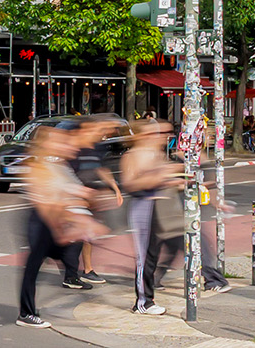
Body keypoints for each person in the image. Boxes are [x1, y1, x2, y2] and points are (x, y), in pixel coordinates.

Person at [17, 124, 104, 329]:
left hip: (56, 221)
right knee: (33, 267)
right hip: (41, 223)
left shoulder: (59, 165)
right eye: (56, 140)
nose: (61, 144)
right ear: (45, 143)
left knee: (66, 252)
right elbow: (46, 204)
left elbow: (71, 189)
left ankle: (70, 277)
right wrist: (62, 228)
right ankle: (26, 313)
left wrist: (84, 199)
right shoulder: (38, 167)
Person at [121, 119, 181, 316]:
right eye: (150, 133)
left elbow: (165, 179)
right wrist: (159, 177)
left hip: (160, 207)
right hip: (143, 206)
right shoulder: (131, 156)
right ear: (138, 136)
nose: (156, 137)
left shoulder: (157, 154)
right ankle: (143, 301)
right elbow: (130, 184)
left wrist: (175, 181)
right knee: (145, 255)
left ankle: (148, 296)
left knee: (154, 253)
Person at [72, 117, 121, 284]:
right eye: (93, 130)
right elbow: (68, 174)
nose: (98, 133)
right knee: (77, 237)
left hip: (90, 198)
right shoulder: (75, 149)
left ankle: (86, 269)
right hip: (77, 198)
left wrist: (115, 188)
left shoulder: (95, 149)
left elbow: (101, 169)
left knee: (87, 236)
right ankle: (73, 272)